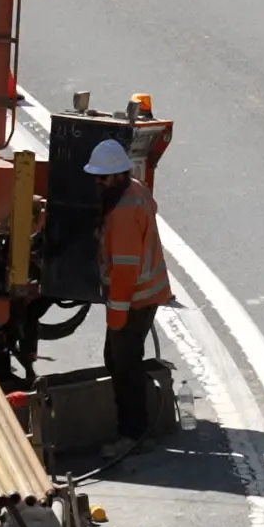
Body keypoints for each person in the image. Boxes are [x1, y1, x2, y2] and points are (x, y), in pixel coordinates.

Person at [89, 139, 173, 457]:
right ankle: (138, 428)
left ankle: (132, 435)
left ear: (117, 177)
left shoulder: (122, 213)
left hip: (133, 300)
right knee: (122, 359)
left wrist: (116, 315)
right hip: (145, 295)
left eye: (101, 178)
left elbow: (124, 272)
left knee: (122, 362)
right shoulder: (135, 190)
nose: (97, 183)